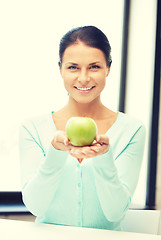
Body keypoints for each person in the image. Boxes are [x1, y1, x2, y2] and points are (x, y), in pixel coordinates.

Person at [19, 26, 146, 231]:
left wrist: (104, 156)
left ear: (108, 68)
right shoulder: (33, 128)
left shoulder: (132, 129)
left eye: (94, 66)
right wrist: (56, 152)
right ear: (60, 69)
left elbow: (115, 212)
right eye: (73, 67)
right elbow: (36, 206)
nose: (84, 78)